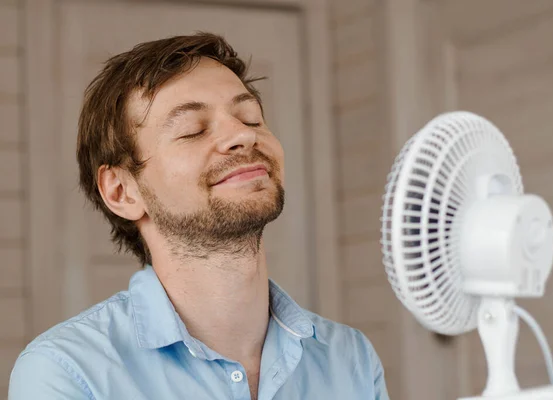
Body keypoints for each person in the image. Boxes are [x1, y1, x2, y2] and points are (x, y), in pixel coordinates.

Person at [8, 32, 389, 400]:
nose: (242, 135)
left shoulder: (350, 358)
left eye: (251, 118)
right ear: (122, 191)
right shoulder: (67, 372)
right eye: (192, 130)